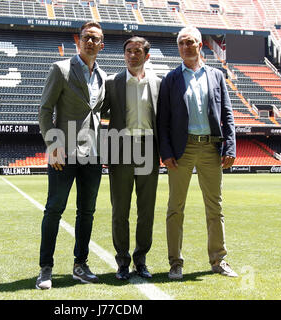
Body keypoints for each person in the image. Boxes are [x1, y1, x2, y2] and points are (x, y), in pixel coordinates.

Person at [157, 26, 238, 280]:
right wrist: (166, 152)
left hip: (210, 148)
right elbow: (163, 121)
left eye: (189, 42)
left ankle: (218, 260)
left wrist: (231, 145)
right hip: (182, 149)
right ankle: (175, 263)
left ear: (200, 45)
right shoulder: (171, 79)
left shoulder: (216, 76)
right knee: (175, 208)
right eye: (181, 43)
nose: (184, 47)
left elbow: (227, 114)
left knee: (215, 207)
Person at [36, 21, 107, 290]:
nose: (90, 42)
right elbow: (45, 110)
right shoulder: (61, 69)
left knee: (87, 212)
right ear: (78, 41)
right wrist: (53, 145)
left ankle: (80, 264)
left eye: (95, 39)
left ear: (102, 45)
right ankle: (45, 268)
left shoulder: (103, 77)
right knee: (54, 209)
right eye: (86, 37)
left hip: (92, 154)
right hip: (63, 153)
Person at [102, 36, 161, 280]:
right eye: (128, 51)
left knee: (146, 209)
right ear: (124, 54)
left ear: (147, 56)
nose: (132, 55)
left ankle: (141, 258)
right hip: (121, 148)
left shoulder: (159, 83)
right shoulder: (111, 83)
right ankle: (122, 261)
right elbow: (96, 115)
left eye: (137, 51)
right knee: (120, 210)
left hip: (148, 147)